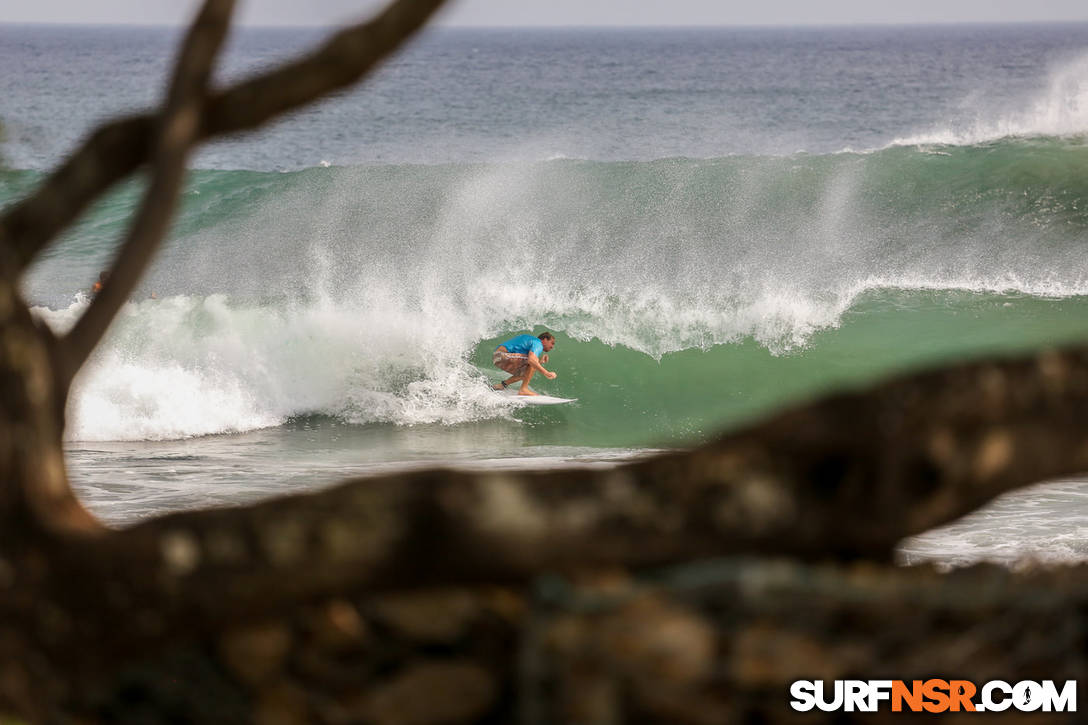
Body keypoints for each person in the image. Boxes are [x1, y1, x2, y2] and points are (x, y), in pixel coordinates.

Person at [492, 332, 556, 396]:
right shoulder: (538, 343)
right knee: (533, 361)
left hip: (498, 357)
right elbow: (531, 360)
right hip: (502, 355)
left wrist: (540, 362)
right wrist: (546, 373)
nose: (552, 347)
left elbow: (529, 369)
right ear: (544, 340)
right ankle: (524, 389)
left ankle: (502, 385)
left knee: (526, 372)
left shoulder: (530, 341)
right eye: (552, 343)